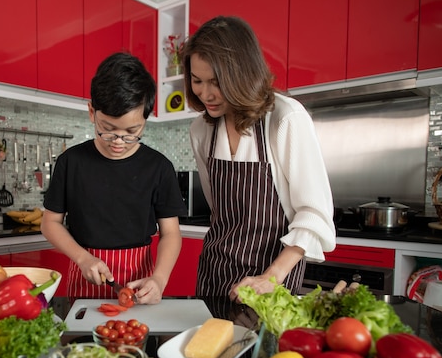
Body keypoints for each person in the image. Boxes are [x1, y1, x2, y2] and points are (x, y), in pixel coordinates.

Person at [182, 16, 336, 307]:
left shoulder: (285, 118)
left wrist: (271, 277)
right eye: (197, 80)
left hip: (273, 277)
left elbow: (315, 213)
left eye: (216, 82)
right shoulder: (201, 130)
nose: (205, 94)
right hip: (216, 272)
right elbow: (218, 210)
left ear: (243, 73)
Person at [41, 52, 187, 304]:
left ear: (145, 120)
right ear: (91, 112)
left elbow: (171, 233)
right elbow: (50, 223)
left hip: (139, 283)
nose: (119, 141)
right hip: (84, 275)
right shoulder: (71, 163)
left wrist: (160, 279)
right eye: (108, 129)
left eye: (132, 132)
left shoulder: (159, 167)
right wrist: (83, 258)